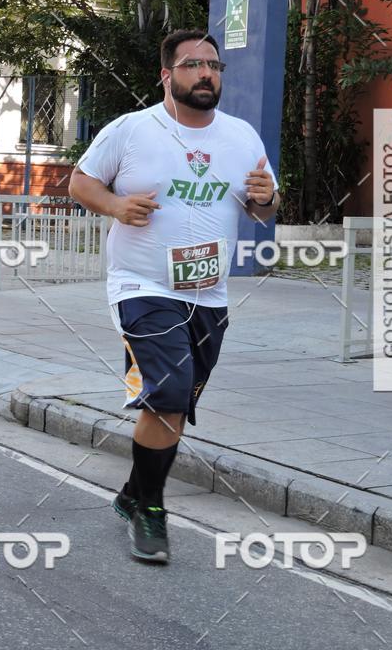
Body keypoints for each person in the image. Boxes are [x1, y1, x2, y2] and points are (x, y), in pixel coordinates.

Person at [69, 28, 279, 563]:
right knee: (166, 395)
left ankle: (133, 492)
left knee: (178, 405)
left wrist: (268, 199)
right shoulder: (132, 130)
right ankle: (153, 512)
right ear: (167, 75)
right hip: (141, 286)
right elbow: (81, 182)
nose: (206, 73)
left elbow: (262, 208)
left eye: (213, 65)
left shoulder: (241, 138)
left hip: (209, 295)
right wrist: (116, 207)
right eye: (192, 65)